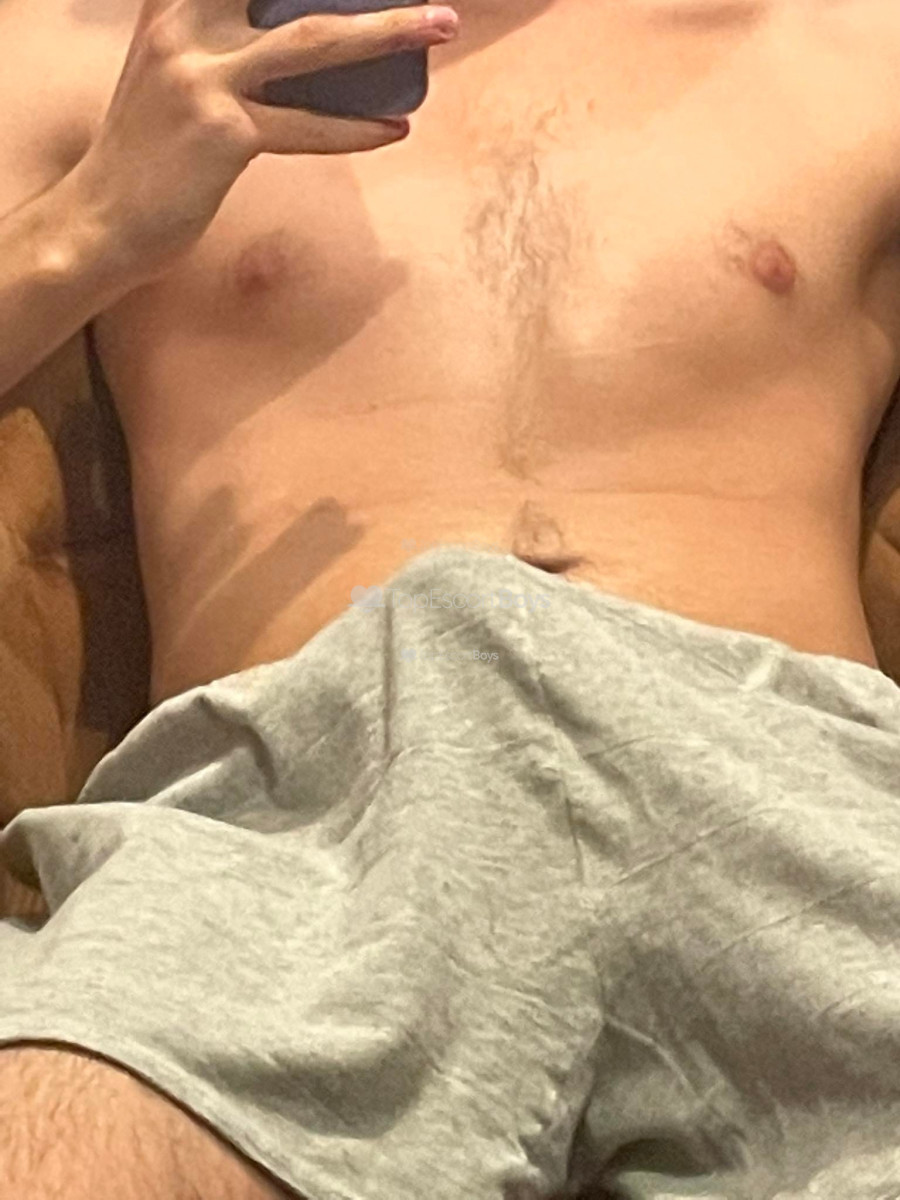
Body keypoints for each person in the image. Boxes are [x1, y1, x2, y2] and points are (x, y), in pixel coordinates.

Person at [3, 0, 900, 1195]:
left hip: (787, 776)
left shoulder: (854, 46)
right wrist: (89, 224)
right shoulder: (99, 57)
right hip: (304, 799)